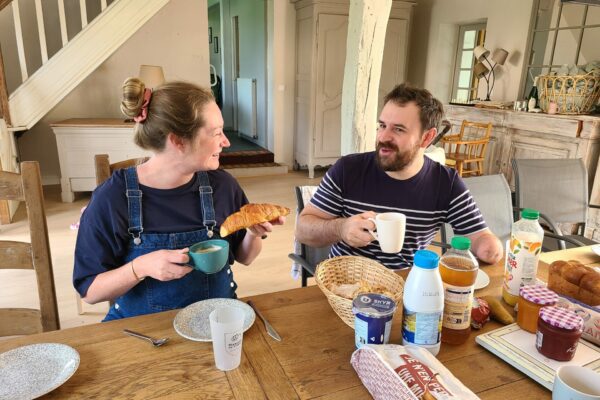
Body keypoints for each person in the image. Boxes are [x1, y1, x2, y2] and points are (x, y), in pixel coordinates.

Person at [73, 78, 284, 321]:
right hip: (144, 331)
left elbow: (245, 257)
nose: (225, 141)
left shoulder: (222, 186)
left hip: (215, 323)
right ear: (177, 140)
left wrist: (253, 233)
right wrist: (140, 267)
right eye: (216, 133)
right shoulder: (112, 198)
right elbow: (89, 291)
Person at [295, 83, 503, 269]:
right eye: (382, 125)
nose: (383, 137)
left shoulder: (446, 183)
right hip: (344, 285)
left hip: (407, 288)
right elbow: (302, 230)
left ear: (427, 137)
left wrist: (489, 247)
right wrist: (341, 228)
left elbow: (480, 237)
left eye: (399, 129)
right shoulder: (348, 169)